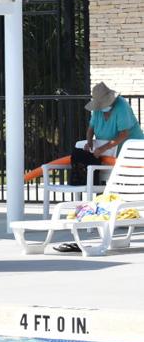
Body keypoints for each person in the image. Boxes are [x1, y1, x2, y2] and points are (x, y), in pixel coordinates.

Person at [54, 82, 144, 253]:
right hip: (108, 151)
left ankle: (130, 215)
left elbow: (124, 134)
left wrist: (102, 149)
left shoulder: (122, 106)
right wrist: (90, 143)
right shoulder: (97, 109)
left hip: (130, 149)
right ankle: (113, 218)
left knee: (129, 186)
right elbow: (91, 129)